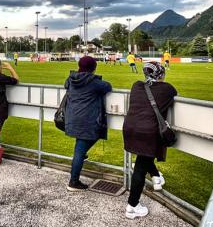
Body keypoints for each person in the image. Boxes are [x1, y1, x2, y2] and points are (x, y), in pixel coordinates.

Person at [123, 61, 177, 218]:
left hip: (130, 128)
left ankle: (156, 177)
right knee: (140, 166)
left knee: (143, 159)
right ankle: (132, 206)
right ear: (161, 74)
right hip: (148, 132)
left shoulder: (136, 85)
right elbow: (171, 96)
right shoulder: (167, 89)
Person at [64, 56, 112, 191]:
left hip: (72, 118)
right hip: (87, 120)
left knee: (82, 145)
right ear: (93, 68)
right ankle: (73, 182)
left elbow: (66, 85)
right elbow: (108, 87)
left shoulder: (71, 78)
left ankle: (81, 155)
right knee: (80, 149)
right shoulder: (94, 82)